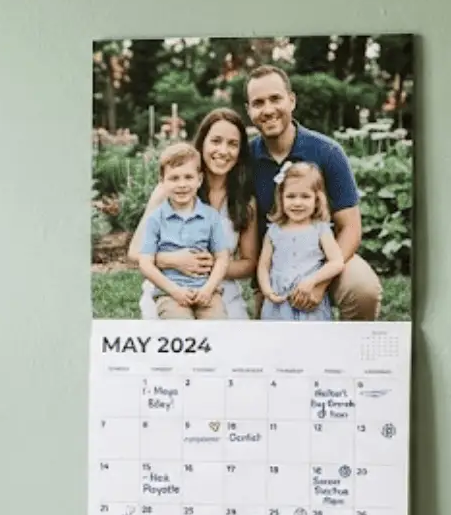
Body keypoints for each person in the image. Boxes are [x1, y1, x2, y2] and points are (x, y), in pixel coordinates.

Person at [243, 65, 383, 321]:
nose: (268, 110)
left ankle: (350, 357)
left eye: (276, 99)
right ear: (249, 110)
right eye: (258, 103)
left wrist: (320, 281)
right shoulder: (246, 159)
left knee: (364, 290)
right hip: (277, 263)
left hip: (325, 254)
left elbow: (350, 227)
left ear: (292, 100)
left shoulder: (327, 152)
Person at [129, 108, 259, 317]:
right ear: (202, 143)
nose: (223, 151)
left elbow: (248, 263)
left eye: (232, 144)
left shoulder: (245, 200)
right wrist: (173, 261)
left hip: (218, 289)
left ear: (240, 151)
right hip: (171, 287)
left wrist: (212, 267)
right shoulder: (172, 190)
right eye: (216, 141)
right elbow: (135, 252)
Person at [133, 143, 232, 320]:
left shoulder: (211, 216)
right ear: (162, 182)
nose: (182, 184)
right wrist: (174, 291)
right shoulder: (156, 219)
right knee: (180, 327)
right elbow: (145, 263)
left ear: (199, 179)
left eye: (188, 177)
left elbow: (222, 258)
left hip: (206, 291)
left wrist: (208, 289)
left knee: (217, 328)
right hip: (171, 293)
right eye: (174, 178)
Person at [258, 162, 344, 322]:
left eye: (305, 196)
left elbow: (337, 262)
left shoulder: (320, 229)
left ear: (317, 200)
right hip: (278, 302)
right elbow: (264, 265)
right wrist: (267, 291)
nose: (297, 203)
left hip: (308, 301)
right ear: (281, 198)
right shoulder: (274, 230)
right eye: (291, 196)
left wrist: (312, 281)